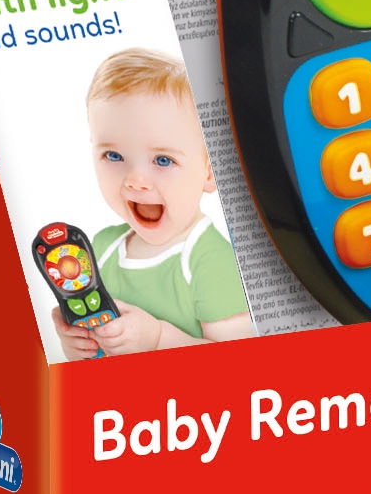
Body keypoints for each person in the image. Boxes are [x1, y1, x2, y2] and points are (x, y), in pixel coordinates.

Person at [52, 48, 254, 359]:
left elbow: (242, 366)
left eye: (162, 160)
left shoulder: (211, 261)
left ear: (210, 172)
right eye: (114, 155)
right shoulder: (102, 248)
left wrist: (158, 339)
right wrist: (79, 345)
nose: (135, 180)